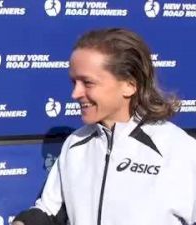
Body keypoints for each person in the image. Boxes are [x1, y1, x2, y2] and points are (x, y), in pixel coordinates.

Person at [13, 28, 196, 225]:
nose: (75, 93)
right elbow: (49, 212)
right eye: (74, 82)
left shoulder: (180, 150)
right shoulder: (75, 144)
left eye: (87, 83)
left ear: (129, 85)